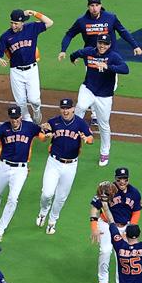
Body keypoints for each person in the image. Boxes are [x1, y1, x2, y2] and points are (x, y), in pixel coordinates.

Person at [0, 105, 41, 243]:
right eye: (12, 118)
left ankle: (0, 229)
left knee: (13, 199)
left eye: (16, 118)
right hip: (4, 167)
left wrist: (48, 131)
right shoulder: (4, 127)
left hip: (20, 170)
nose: (14, 120)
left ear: (21, 116)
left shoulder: (29, 127)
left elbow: (43, 132)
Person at [71, 35, 131, 168]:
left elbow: (125, 69)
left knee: (103, 124)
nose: (102, 46)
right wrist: (73, 58)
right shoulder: (89, 51)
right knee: (81, 106)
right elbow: (76, 53)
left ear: (109, 45)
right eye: (100, 43)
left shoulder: (114, 56)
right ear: (97, 43)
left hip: (104, 95)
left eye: (105, 44)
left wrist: (108, 66)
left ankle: (104, 153)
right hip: (88, 89)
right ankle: (76, 138)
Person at [35, 97, 93, 235]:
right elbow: (42, 136)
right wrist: (46, 135)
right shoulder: (53, 121)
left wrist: (86, 139)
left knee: (61, 197)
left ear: (73, 109)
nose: (65, 111)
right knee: (47, 194)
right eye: (63, 108)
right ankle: (43, 212)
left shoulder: (80, 123)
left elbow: (90, 138)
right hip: (53, 163)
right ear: (60, 109)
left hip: (71, 165)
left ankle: (52, 222)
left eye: (68, 108)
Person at [0, 8, 54, 122]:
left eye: (16, 23)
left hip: (32, 70)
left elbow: (50, 22)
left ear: (22, 22)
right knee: (20, 102)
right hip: (16, 71)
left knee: (34, 100)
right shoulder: (6, 36)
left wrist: (35, 13)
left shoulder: (32, 28)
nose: (13, 26)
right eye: (12, 23)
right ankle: (28, 121)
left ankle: (36, 110)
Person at [91, 168, 142, 283]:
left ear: (128, 179)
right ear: (115, 179)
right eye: (119, 179)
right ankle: (103, 281)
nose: (122, 182)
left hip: (125, 226)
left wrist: (129, 230)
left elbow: (136, 212)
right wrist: (94, 227)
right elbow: (94, 207)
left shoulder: (134, 193)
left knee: (123, 254)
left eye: (125, 179)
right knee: (105, 251)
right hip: (106, 224)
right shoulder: (107, 189)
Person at [59, 0, 142, 59]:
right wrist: (63, 50)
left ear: (100, 5)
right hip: (92, 57)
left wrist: (135, 46)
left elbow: (123, 32)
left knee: (111, 77)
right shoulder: (81, 21)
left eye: (97, 5)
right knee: (91, 78)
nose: (95, 8)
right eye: (92, 5)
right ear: (88, 6)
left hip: (110, 55)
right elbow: (69, 34)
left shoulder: (111, 17)